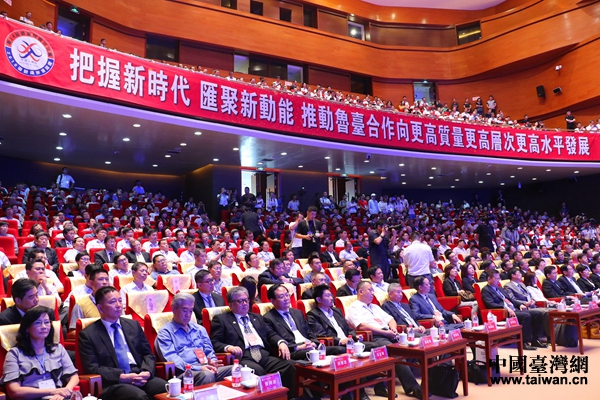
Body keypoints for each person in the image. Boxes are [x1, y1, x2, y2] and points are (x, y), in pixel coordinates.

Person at [78, 286, 167, 400]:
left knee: (167, 388)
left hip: (139, 373)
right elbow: (93, 368)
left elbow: (148, 354)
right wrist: (123, 377)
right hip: (114, 381)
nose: (118, 305)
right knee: (138, 396)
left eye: (120, 300)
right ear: (100, 308)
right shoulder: (88, 334)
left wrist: (147, 372)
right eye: (112, 302)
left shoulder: (133, 325)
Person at [209, 287, 296, 397]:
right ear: (230, 304)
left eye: (246, 300)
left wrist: (281, 342)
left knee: (289, 365)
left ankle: (289, 397)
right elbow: (215, 342)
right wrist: (229, 347)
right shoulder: (221, 319)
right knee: (258, 371)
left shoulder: (257, 317)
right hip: (244, 356)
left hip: (263, 354)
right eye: (240, 301)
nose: (245, 304)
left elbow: (270, 334)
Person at [346, 281, 422, 399]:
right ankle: (413, 388)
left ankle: (434, 378)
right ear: (360, 291)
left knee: (414, 346)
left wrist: (393, 328)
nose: (373, 293)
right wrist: (385, 332)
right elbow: (362, 326)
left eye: (373, 290)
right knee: (396, 353)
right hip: (374, 338)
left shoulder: (375, 307)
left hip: (389, 334)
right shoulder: (354, 308)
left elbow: (390, 319)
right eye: (370, 290)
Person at [0, 306, 78, 399]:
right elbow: (14, 391)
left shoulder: (58, 349)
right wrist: (52, 391)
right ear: (27, 328)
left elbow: (74, 377)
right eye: (38, 323)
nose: (44, 327)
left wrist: (63, 392)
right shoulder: (14, 354)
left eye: (47, 322)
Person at [156, 293, 232, 385]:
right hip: (184, 373)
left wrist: (212, 361)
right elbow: (172, 360)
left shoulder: (200, 329)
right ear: (174, 309)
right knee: (207, 375)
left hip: (206, 368)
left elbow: (209, 351)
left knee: (236, 369)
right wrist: (199, 368)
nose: (188, 314)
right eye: (185, 310)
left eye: (191, 310)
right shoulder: (165, 333)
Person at [264, 284, 345, 360]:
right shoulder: (268, 318)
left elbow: (309, 332)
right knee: (312, 354)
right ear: (272, 300)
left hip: (309, 346)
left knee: (340, 350)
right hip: (294, 350)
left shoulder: (297, 313)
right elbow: (273, 339)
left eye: (287, 295)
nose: (286, 298)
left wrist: (313, 342)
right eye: (282, 297)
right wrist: (298, 347)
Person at [481, 270, 546, 350]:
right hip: (503, 312)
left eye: (499, 278)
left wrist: (520, 304)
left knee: (537, 313)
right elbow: (490, 304)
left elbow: (511, 300)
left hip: (514, 309)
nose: (499, 280)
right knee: (526, 316)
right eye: (496, 278)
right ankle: (524, 342)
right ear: (489, 279)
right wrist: (506, 308)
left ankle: (535, 340)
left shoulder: (500, 288)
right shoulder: (486, 290)